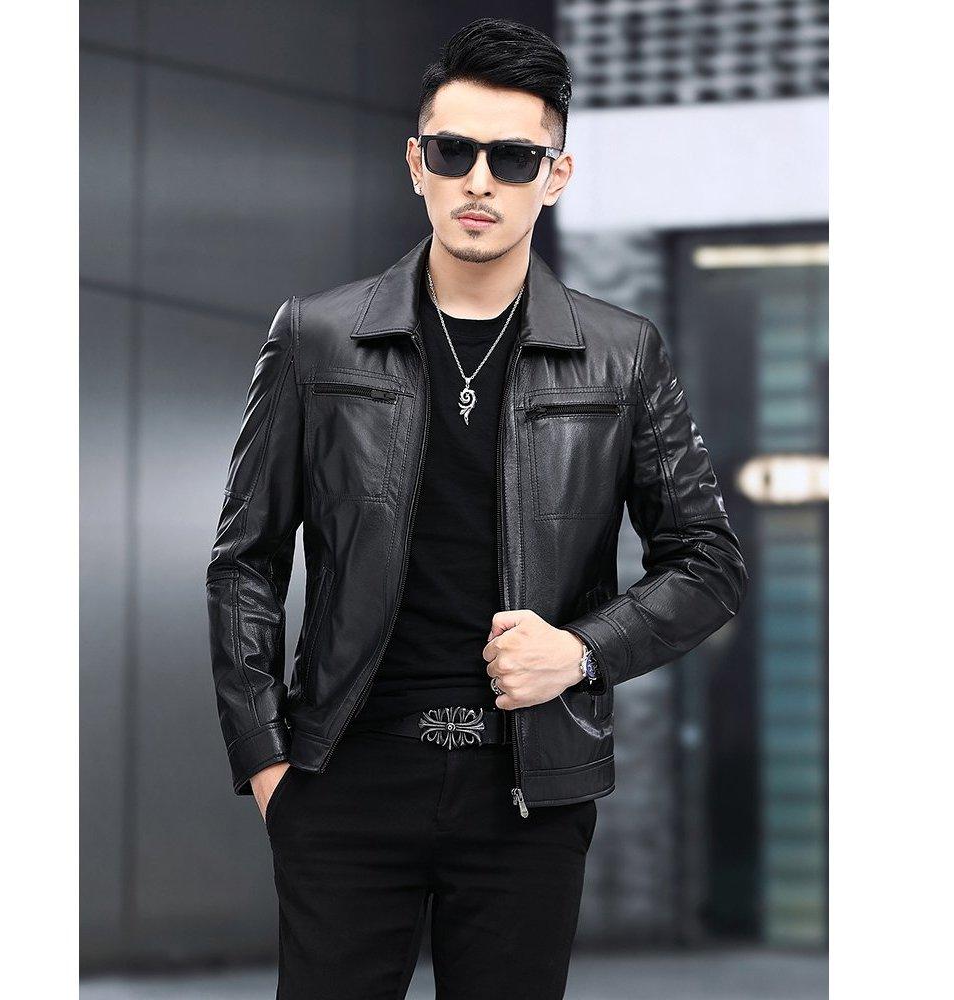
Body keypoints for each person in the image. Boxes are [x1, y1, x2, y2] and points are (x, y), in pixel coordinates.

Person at [205, 17, 746, 1000]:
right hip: (345, 776)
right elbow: (246, 559)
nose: (479, 181)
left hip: (528, 791)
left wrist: (579, 652)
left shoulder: (621, 354)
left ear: (556, 174)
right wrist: (266, 760)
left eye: (513, 157)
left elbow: (708, 563)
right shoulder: (317, 338)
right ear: (417, 163)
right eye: (454, 152)